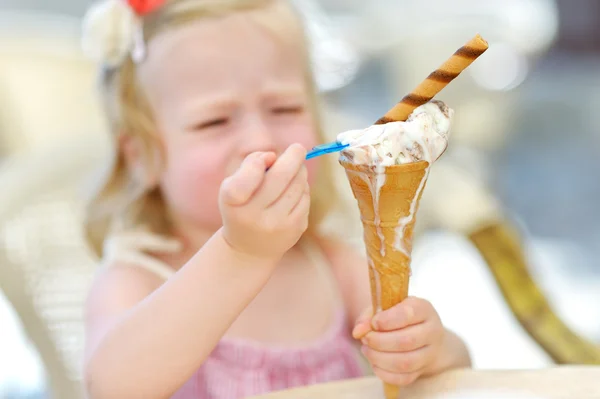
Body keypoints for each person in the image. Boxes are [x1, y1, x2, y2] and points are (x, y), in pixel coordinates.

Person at [80, 0, 471, 398]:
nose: (260, 140)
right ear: (142, 156)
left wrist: (429, 349)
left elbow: (455, 373)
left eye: (284, 108)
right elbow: (111, 389)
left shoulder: (331, 265)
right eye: (213, 121)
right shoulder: (135, 278)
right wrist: (241, 254)